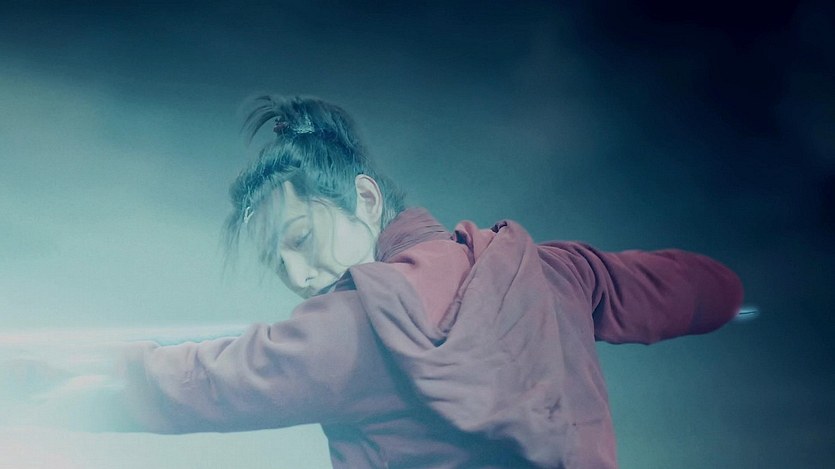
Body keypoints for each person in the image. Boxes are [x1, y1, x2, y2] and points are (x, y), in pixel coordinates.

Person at [15, 96, 745, 468]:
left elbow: (194, 383)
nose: (298, 276)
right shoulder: (554, 271)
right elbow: (708, 290)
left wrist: (36, 384)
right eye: (278, 263)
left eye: (300, 239)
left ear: (365, 199)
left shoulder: (352, 328)